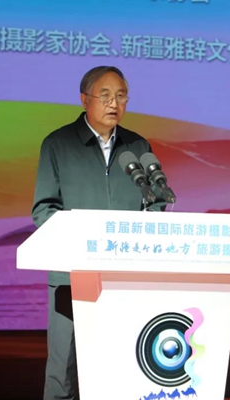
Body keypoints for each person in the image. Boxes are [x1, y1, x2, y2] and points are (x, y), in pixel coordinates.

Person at [31, 66, 164, 400]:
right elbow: (44, 209)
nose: (113, 104)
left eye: (121, 96)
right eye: (105, 96)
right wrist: (84, 240)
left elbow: (156, 202)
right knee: (63, 373)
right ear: (84, 99)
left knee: (120, 366)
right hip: (71, 276)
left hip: (125, 276)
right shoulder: (58, 144)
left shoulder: (137, 146)